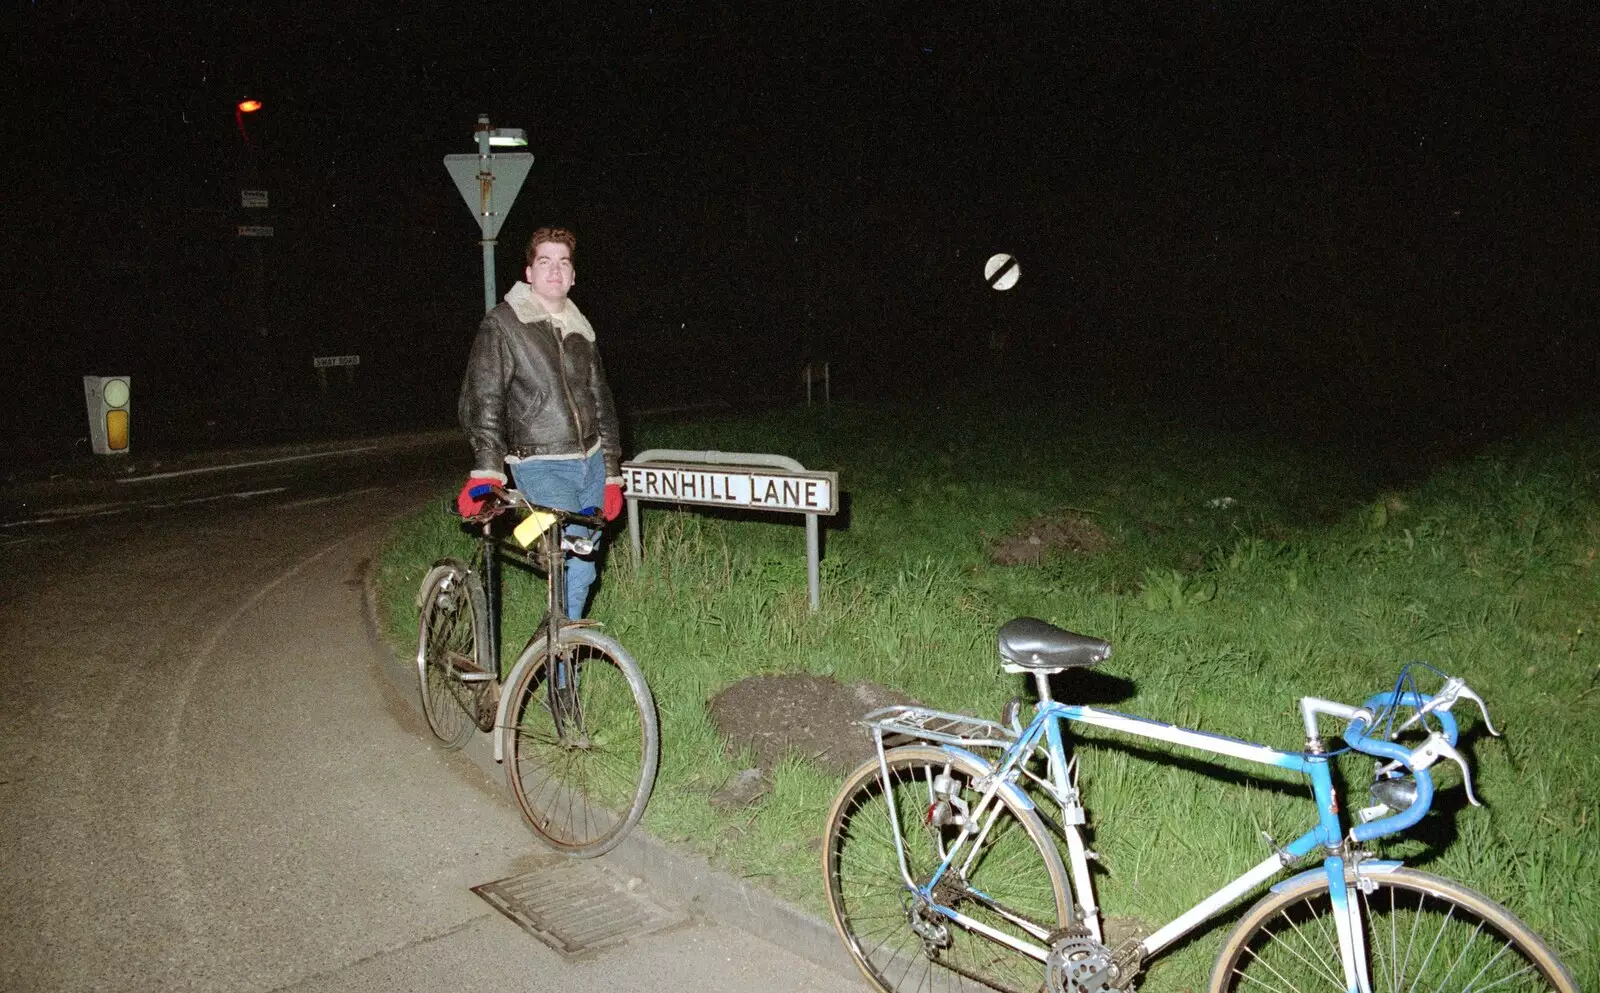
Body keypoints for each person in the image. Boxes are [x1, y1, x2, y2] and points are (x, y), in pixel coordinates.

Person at [457, 226, 625, 619]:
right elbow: (483, 399)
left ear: (572, 276)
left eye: (563, 263)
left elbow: (602, 403)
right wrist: (487, 470)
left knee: (583, 565)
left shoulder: (581, 329)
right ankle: (562, 665)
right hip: (542, 464)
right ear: (529, 273)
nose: (555, 271)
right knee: (572, 566)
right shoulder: (503, 324)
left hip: (592, 467)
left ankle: (557, 656)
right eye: (544, 262)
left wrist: (612, 472)